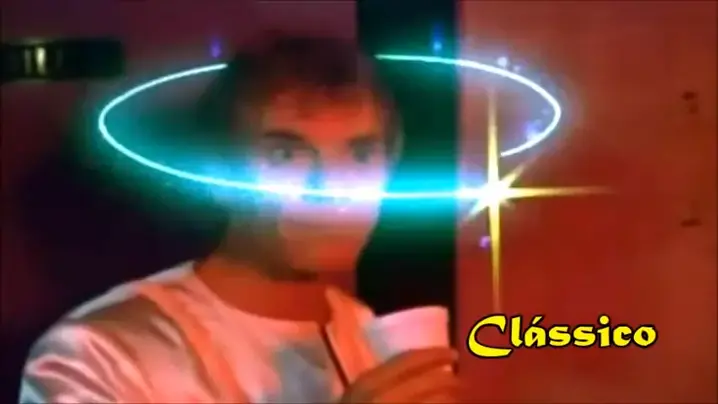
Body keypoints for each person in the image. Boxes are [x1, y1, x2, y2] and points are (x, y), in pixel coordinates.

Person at [19, 35, 459, 403]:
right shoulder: (101, 353)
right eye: (285, 155)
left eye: (360, 156)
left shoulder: (366, 331)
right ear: (219, 176)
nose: (330, 187)